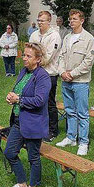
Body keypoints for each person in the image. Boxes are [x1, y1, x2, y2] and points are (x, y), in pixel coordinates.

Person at [3, 42, 50, 187]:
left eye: (28, 56)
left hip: (33, 122)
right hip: (18, 120)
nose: (24, 58)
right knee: (9, 152)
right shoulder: (24, 71)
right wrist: (11, 97)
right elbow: (18, 90)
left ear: (38, 59)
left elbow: (40, 100)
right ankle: (22, 184)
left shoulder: (42, 76)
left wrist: (19, 99)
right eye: (24, 55)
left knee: (33, 157)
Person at [56, 9, 94, 155]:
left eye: (74, 19)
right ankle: (71, 137)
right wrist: (62, 72)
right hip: (66, 81)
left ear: (82, 20)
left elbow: (88, 62)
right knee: (69, 111)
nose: (71, 21)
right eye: (70, 19)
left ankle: (83, 142)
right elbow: (60, 57)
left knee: (82, 113)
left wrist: (72, 74)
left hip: (80, 82)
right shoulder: (67, 38)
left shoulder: (89, 39)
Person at [30, 11, 62, 142]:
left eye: (42, 21)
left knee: (49, 102)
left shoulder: (54, 36)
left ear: (49, 22)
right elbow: (29, 52)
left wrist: (34, 62)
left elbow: (48, 56)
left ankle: (52, 130)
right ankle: (38, 127)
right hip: (34, 72)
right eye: (38, 20)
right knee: (35, 101)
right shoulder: (34, 35)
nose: (39, 23)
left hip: (49, 74)